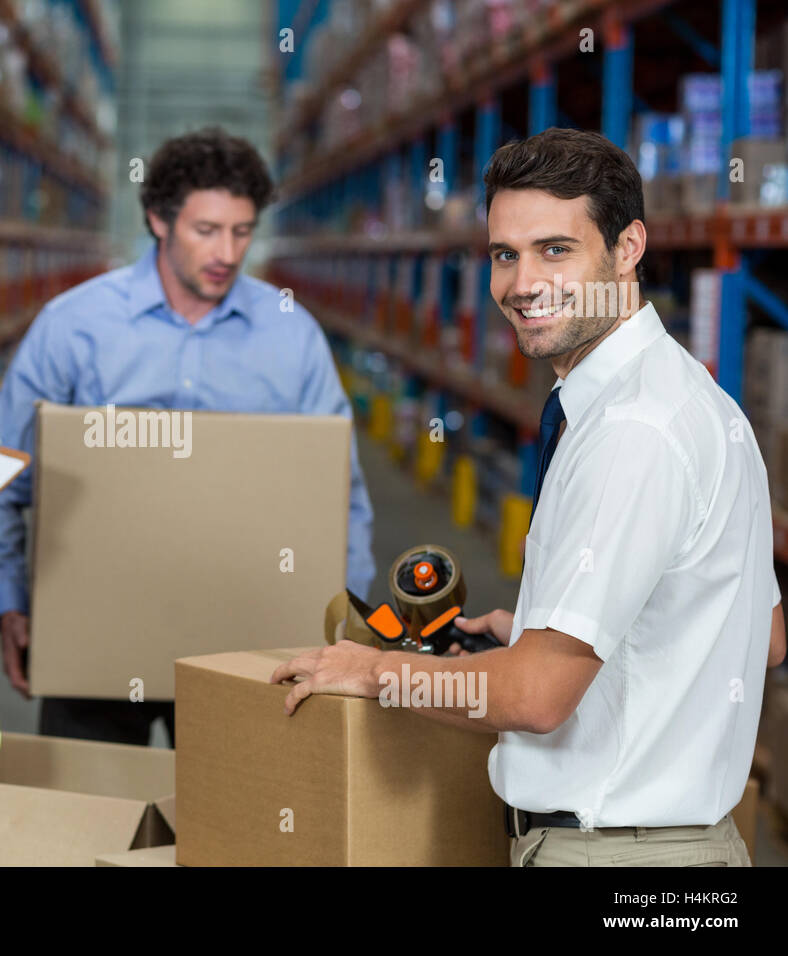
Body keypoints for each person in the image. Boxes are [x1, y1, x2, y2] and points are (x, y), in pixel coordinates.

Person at [271, 128, 786, 867]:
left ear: (628, 247)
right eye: (503, 256)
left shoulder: (631, 433)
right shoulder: (700, 402)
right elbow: (761, 635)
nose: (521, 284)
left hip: (614, 857)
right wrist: (557, 630)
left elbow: (539, 699)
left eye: (555, 250)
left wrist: (377, 672)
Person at [0, 127, 377, 746]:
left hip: (249, 649)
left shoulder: (292, 335)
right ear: (158, 220)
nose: (228, 252)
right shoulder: (74, 326)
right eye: (206, 230)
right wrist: (7, 602)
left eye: (242, 231)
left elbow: (339, 495)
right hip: (95, 639)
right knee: (91, 823)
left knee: (239, 834)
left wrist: (349, 627)